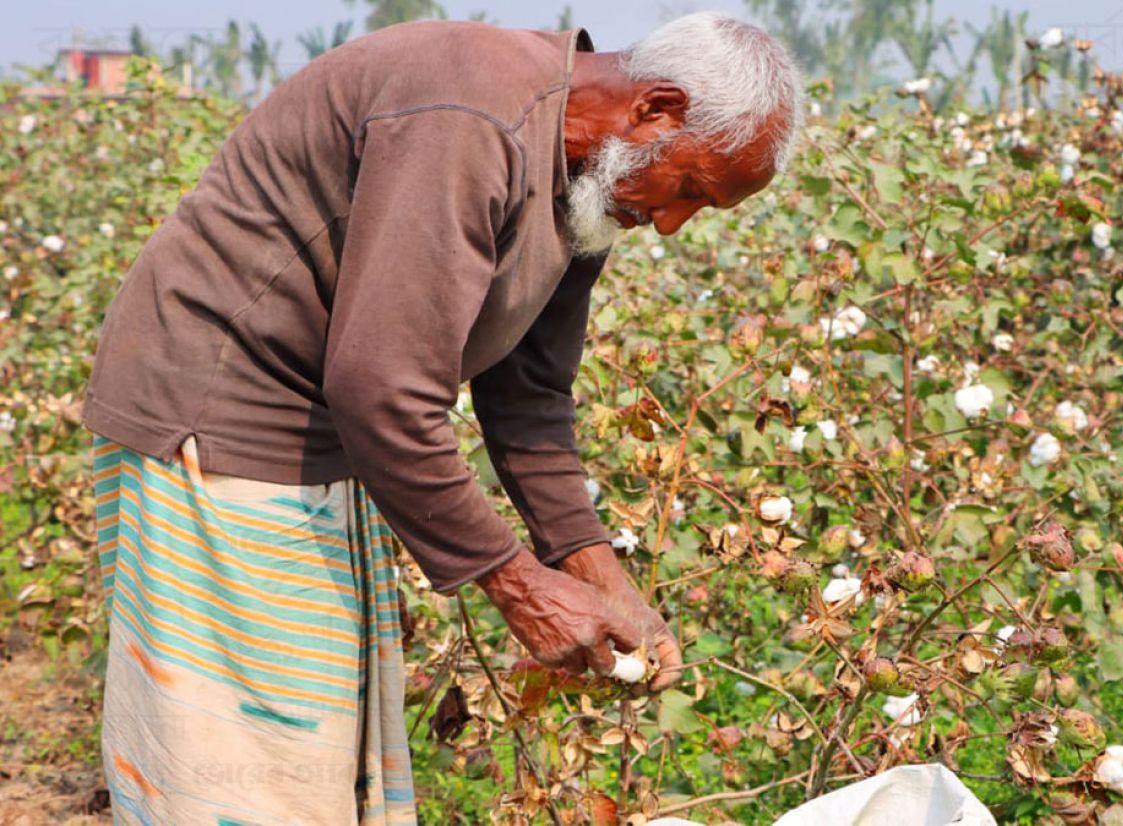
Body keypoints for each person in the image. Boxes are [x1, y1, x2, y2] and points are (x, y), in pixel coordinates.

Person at [82, 12, 803, 823]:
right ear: (655, 109)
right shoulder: (469, 110)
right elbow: (383, 385)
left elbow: (529, 394)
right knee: (247, 763)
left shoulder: (589, 171)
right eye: (692, 190)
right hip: (216, 415)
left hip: (319, 431)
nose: (673, 223)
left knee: (316, 752)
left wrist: (596, 571)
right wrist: (519, 585)